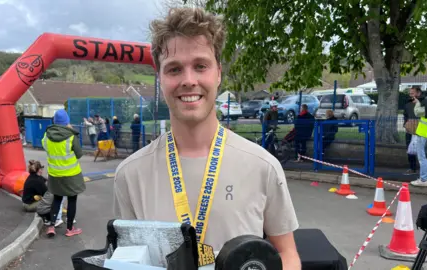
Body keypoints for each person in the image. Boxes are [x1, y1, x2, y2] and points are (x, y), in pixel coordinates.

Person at [113, 7, 300, 269]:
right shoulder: (130, 175)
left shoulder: (264, 167)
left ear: (218, 73)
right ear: (160, 78)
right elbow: (129, 260)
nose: (189, 80)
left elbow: (287, 254)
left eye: (200, 66)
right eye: (174, 69)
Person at [42, 109, 85, 237]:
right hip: (71, 175)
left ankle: (51, 226)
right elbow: (79, 154)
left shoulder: (47, 135)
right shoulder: (71, 136)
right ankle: (70, 228)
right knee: (72, 200)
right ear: (67, 122)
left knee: (57, 199)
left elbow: (45, 147)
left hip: (55, 174)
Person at [411, 89, 427, 187]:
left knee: (423, 157)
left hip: (425, 132)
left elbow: (418, 112)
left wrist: (418, 103)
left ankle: (424, 179)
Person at [403, 87, 422, 175]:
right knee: (410, 149)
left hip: (422, 131)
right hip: (410, 130)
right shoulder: (407, 103)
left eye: (412, 93)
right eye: (410, 93)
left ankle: (424, 170)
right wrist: (405, 124)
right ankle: (412, 168)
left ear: (418, 93)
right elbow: (405, 115)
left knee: (423, 150)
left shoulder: (424, 103)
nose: (410, 95)